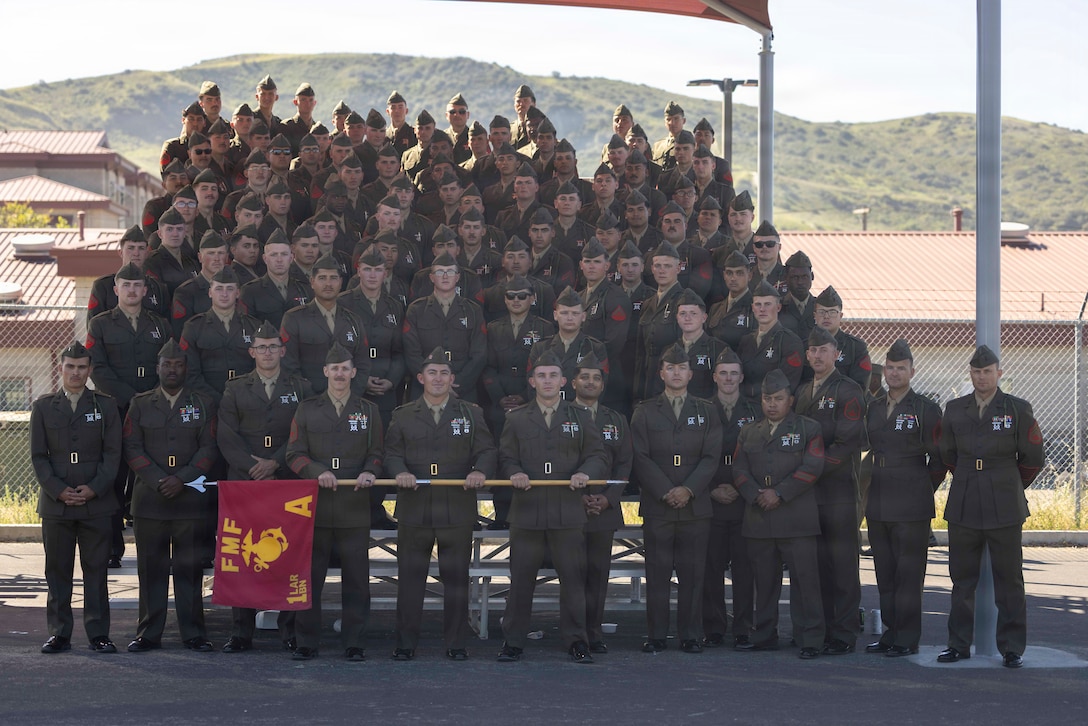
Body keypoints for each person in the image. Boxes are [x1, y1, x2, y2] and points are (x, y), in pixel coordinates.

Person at [385, 347, 498, 660]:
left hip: (456, 505)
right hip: (415, 506)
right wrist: (400, 472)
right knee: (410, 578)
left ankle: (456, 644)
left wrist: (479, 471)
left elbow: (487, 451)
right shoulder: (403, 414)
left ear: (453, 379)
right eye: (432, 373)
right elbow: (392, 453)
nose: (438, 378)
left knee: (456, 579)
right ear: (421, 378)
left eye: (444, 373)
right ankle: (406, 644)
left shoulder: (470, 412)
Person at [497, 351, 608, 664]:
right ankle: (513, 641)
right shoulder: (516, 418)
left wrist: (586, 474)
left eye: (552, 376)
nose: (547, 381)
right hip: (527, 512)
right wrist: (513, 473)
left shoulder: (581, 417)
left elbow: (598, 455)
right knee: (521, 581)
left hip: (567, 511)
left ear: (563, 381)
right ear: (532, 381)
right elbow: (505, 457)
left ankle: (577, 640)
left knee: (573, 580)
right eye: (541, 376)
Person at [937, 345, 1044, 669]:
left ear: (999, 373)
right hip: (966, 499)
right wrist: (974, 475)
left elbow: (1033, 458)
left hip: (1004, 502)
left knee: (1009, 579)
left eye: (987, 371)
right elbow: (948, 454)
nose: (982, 377)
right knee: (962, 579)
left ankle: (1012, 648)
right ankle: (958, 645)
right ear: (970, 375)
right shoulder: (955, 409)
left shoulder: (1017, 408)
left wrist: (1009, 484)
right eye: (976, 372)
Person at [216, 322, 313, 653]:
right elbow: (226, 434)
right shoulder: (235, 388)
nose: (268, 352)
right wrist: (253, 467)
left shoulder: (300, 386)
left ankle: (289, 630)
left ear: (282, 351)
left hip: (286, 481)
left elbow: (304, 432)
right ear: (252, 352)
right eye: (262, 347)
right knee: (243, 555)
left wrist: (276, 462)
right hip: (245, 484)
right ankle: (241, 632)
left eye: (274, 347)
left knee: (288, 556)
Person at [286, 343, 384, 661]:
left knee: (356, 579)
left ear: (354, 373)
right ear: (325, 372)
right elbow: (294, 454)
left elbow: (377, 453)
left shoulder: (368, 410)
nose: (340, 374)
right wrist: (317, 472)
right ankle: (306, 641)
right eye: (335, 368)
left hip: (354, 507)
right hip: (314, 507)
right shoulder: (308, 408)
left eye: (345, 368)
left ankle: (354, 641)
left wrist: (370, 471)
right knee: (309, 577)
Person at [123, 339, 219, 653]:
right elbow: (132, 448)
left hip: (189, 500)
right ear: (158, 368)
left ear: (186, 369)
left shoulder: (202, 403)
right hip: (150, 501)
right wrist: (157, 479)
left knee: (189, 570)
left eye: (178, 365)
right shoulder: (140, 404)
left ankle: (193, 633)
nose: (172, 370)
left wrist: (183, 478)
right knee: (151, 570)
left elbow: (209, 449)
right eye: (167, 364)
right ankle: (149, 633)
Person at [31, 342, 122, 654]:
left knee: (96, 571)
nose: (75, 372)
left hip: (96, 504)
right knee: (57, 572)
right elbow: (38, 458)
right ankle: (59, 633)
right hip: (57, 505)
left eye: (82, 367)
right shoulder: (43, 407)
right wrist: (58, 490)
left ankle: (99, 633)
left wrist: (93, 488)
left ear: (90, 370)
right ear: (61, 368)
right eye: (70, 366)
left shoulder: (106, 406)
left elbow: (113, 456)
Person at [631, 343, 722, 653]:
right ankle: (656, 635)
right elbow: (640, 456)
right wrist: (665, 490)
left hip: (695, 506)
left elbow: (711, 457)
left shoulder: (707, 410)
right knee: (656, 573)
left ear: (690, 374)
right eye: (670, 368)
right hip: (659, 505)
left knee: (693, 574)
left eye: (681, 368)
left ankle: (691, 635)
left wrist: (688, 490)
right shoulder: (644, 411)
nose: (676, 373)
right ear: (661, 373)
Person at [732, 369, 826, 658]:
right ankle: (764, 635)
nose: (772, 404)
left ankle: (809, 639)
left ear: (791, 400)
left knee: (806, 582)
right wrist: (756, 494)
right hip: (759, 517)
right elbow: (738, 469)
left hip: (797, 517)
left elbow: (813, 467)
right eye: (767, 398)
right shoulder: (749, 431)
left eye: (778, 398)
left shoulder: (809, 428)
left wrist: (780, 493)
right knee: (764, 582)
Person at [864, 339, 945, 657]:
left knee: (909, 573)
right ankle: (890, 632)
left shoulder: (925, 408)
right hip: (879, 496)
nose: (894, 373)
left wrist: (924, 489)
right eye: (890, 368)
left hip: (912, 500)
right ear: (884, 371)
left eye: (901, 368)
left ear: (912, 371)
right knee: (884, 571)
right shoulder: (873, 407)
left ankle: (907, 637)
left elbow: (939, 457)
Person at [86, 262, 171, 567]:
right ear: (116, 289)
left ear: (145, 291)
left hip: (154, 411)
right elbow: (97, 367)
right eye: (127, 285)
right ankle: (111, 549)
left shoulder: (161, 324)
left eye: (138, 286)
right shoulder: (100, 324)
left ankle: (155, 550)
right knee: (113, 476)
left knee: (151, 478)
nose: (132, 290)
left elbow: (169, 364)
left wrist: (150, 398)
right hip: (115, 410)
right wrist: (129, 397)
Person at [794, 327, 866, 655]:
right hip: (809, 494)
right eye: (813, 350)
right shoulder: (801, 390)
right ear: (807, 355)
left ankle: (844, 633)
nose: (818, 355)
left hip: (837, 491)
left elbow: (846, 443)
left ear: (836, 354)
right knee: (816, 565)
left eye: (824, 350)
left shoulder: (848, 390)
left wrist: (807, 472)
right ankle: (819, 629)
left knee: (842, 566)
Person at [570, 353, 632, 653]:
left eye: (596, 378)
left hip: (603, 511)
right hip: (569, 507)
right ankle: (574, 634)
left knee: (598, 576)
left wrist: (608, 499)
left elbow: (624, 465)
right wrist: (578, 496)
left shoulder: (615, 420)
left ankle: (593, 633)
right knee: (571, 575)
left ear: (603, 384)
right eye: (585, 377)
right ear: (573, 382)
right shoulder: (562, 415)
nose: (590, 382)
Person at [703, 348, 760, 648]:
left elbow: (762, 455)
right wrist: (711, 487)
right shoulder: (701, 409)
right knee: (711, 566)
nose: (728, 378)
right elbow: (694, 455)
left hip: (743, 497)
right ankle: (713, 627)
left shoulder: (754, 411)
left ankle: (742, 627)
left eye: (733, 373)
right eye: (723, 373)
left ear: (741, 377)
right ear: (714, 377)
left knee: (743, 567)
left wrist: (742, 487)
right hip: (710, 494)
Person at [280, 253, 371, 396]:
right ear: (312, 281)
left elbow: (363, 365)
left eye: (333, 278)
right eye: (322, 278)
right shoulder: (294, 318)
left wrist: (349, 396)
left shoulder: (353, 320)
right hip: (307, 402)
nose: (328, 284)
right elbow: (288, 365)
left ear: (341, 282)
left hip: (347, 401)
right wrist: (312, 399)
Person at [737, 281, 804, 399]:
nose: (762, 309)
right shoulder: (746, 341)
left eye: (768, 304)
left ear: (778, 307)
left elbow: (789, 384)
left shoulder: (790, 341)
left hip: (773, 408)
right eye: (758, 304)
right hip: (746, 409)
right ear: (753, 308)